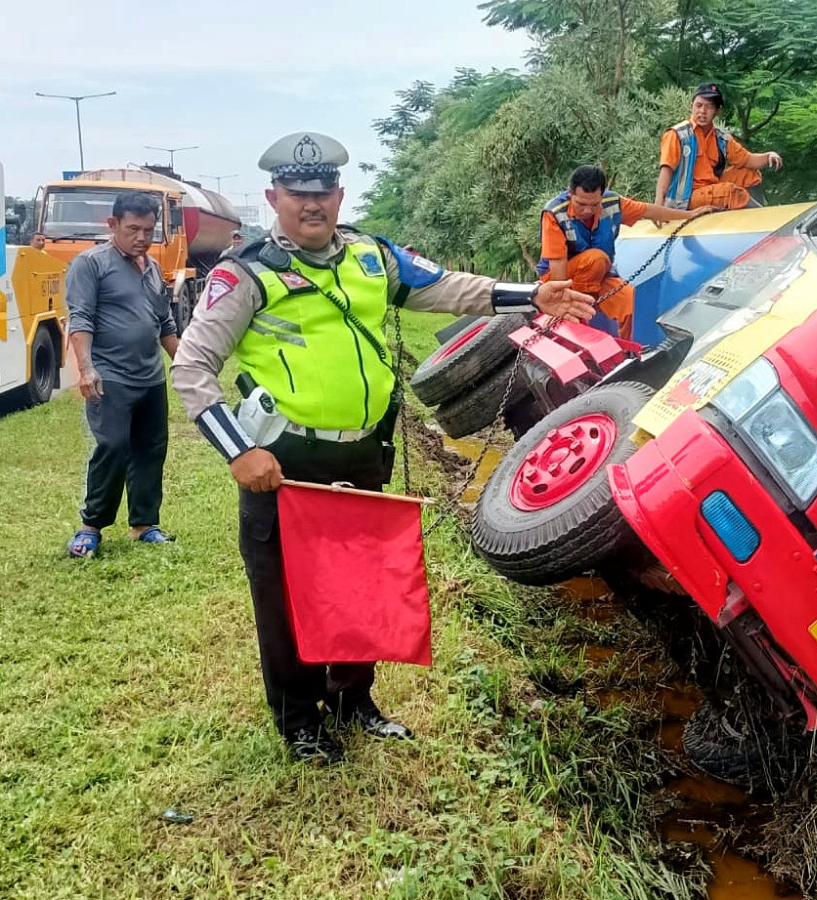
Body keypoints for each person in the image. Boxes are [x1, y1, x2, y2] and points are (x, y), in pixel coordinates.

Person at [171, 132, 594, 766]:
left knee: (360, 581)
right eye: (296, 194)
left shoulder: (372, 257)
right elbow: (192, 367)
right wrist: (238, 453)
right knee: (286, 593)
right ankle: (299, 720)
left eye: (322, 194)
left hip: (365, 453)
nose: (311, 205)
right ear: (273, 197)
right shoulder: (246, 272)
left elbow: (448, 287)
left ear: (339, 195)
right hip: (284, 464)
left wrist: (531, 295)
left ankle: (353, 699)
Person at [65, 192, 179, 558]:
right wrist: (86, 368)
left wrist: (185, 362)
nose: (142, 237)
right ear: (111, 225)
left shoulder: (153, 268)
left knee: (150, 449)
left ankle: (144, 524)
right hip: (110, 375)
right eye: (133, 229)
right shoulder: (91, 264)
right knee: (112, 446)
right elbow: (80, 318)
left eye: (148, 229)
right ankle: (90, 527)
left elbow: (164, 321)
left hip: (151, 376)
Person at [538, 165, 710, 340]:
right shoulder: (554, 213)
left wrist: (689, 215)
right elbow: (557, 263)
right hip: (560, 279)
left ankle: (629, 353)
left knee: (631, 302)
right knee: (596, 259)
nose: (588, 210)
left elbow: (648, 211)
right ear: (570, 193)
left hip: (600, 274)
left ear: (602, 195)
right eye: (581, 204)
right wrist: (559, 299)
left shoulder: (612, 202)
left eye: (594, 204)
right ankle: (580, 313)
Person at [655, 83, 783, 212]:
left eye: (709, 106)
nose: (702, 111)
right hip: (685, 199)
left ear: (717, 111)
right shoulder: (678, 134)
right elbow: (666, 170)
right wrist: (658, 208)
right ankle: (762, 220)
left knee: (749, 174)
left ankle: (759, 214)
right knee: (729, 192)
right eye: (698, 105)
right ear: (691, 106)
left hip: (711, 188)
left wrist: (768, 156)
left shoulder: (721, 138)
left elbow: (747, 160)